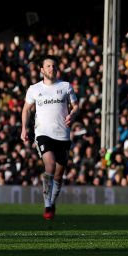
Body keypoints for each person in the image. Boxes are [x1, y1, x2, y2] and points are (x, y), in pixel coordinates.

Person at [21, 56, 81, 220]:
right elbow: (26, 109)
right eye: (48, 66)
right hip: (43, 134)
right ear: (41, 70)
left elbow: (76, 106)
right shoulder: (34, 89)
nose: (51, 68)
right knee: (50, 164)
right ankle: (47, 204)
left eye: (54, 66)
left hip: (62, 135)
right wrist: (24, 129)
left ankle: (52, 202)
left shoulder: (65, 86)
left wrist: (73, 115)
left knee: (59, 175)